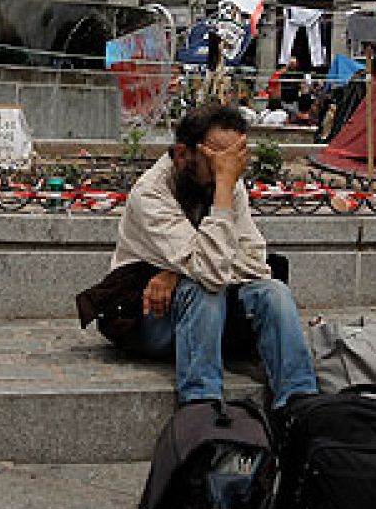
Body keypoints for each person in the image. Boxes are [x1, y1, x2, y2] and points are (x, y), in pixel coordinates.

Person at [81, 105, 317, 412]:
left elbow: (257, 262)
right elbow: (210, 273)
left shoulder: (225, 181)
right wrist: (197, 267)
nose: (227, 169)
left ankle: (299, 402)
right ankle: (201, 405)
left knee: (274, 292)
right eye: (217, 159)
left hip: (215, 313)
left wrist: (176, 272)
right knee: (202, 291)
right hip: (148, 316)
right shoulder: (151, 194)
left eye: (233, 159)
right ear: (183, 154)